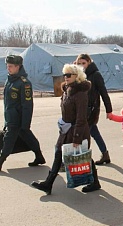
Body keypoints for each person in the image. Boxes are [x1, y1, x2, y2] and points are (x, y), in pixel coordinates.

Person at [31, 64, 101, 194]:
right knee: (61, 153)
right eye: (64, 74)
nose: (66, 77)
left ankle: (94, 182)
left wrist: (77, 137)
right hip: (66, 129)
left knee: (81, 155)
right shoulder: (67, 90)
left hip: (75, 130)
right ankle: (48, 183)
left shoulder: (80, 93)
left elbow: (81, 117)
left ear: (77, 76)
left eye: (69, 75)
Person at [0, 55, 46, 171]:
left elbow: (27, 105)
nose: (8, 68)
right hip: (11, 116)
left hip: (18, 117)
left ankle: (0, 162)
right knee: (27, 136)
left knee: (9, 138)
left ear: (18, 67)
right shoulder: (10, 80)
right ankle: (39, 156)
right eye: (7, 66)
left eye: (11, 66)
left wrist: (25, 123)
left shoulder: (24, 83)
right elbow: (8, 103)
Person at [75, 54, 113, 165]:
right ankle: (105, 154)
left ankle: (81, 159)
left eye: (84, 63)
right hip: (81, 109)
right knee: (94, 133)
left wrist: (108, 110)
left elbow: (103, 93)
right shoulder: (78, 75)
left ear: (89, 63)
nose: (81, 66)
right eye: (79, 63)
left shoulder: (95, 75)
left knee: (82, 134)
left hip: (91, 110)